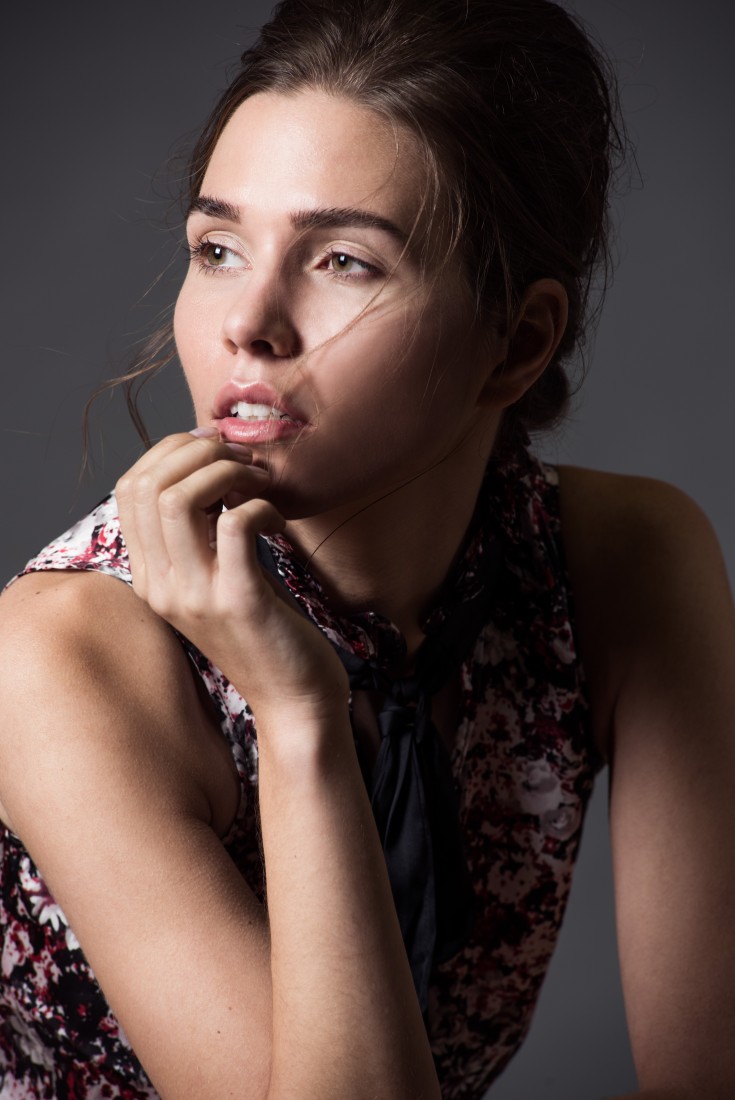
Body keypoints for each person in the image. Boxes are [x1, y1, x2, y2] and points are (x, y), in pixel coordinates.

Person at [0, 0, 733, 1097]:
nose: (249, 322)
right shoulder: (60, 655)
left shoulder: (619, 566)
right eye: (217, 248)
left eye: (343, 260)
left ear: (517, 342)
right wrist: (299, 715)